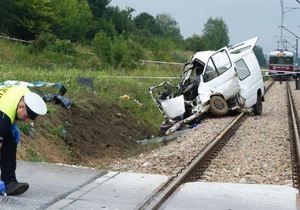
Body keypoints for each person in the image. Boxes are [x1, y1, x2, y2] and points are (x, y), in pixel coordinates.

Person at [0, 85, 47, 195]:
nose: (25, 121)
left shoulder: (25, 93)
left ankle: (9, 182)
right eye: (25, 116)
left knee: (10, 138)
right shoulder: (4, 118)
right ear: (21, 106)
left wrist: (12, 125)